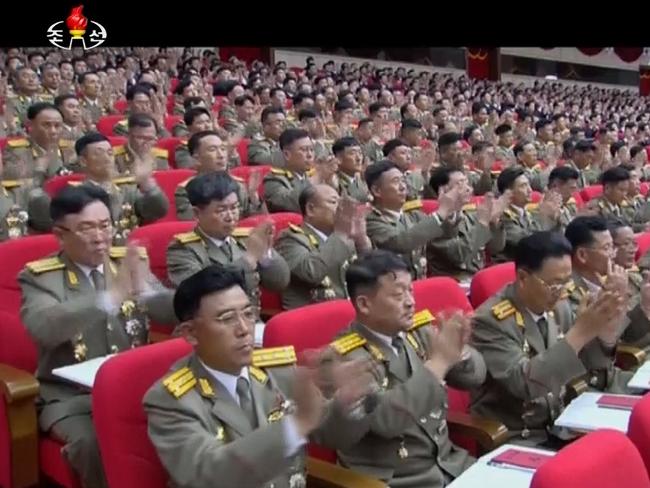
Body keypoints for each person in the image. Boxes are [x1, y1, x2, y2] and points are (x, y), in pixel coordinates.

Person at [144, 265, 372, 488]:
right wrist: (296, 424)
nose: (244, 328)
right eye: (227, 318)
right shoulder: (170, 400)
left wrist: (347, 403)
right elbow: (207, 475)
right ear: (191, 333)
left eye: (248, 313)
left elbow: (330, 435)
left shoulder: (276, 370)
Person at [19, 184, 177, 488]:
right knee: (94, 444)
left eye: (105, 225)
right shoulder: (40, 277)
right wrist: (110, 296)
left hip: (137, 388)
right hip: (71, 398)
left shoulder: (124, 262)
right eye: (86, 228)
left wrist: (151, 293)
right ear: (60, 234)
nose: (100, 236)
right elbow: (44, 326)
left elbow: (169, 313)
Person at [324, 250, 486, 486]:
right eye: (398, 295)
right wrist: (439, 362)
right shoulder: (344, 359)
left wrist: (459, 351)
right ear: (364, 304)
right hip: (401, 480)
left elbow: (476, 377)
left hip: (450, 466)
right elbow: (387, 421)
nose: (410, 302)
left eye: (411, 290)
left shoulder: (416, 332)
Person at [471, 231, 627, 447]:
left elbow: (591, 367)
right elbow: (526, 385)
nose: (562, 291)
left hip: (564, 418)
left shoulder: (558, 304)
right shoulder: (490, 321)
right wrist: (581, 332)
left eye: (566, 282)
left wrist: (605, 331)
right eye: (554, 284)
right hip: (521, 434)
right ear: (523, 278)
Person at [166, 172, 289, 342]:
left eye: (234, 208)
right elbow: (198, 294)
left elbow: (280, 282)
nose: (231, 216)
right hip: (213, 334)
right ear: (196, 213)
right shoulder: (182, 249)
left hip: (252, 325)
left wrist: (266, 252)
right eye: (221, 210)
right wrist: (249, 259)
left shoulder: (244, 239)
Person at [565, 216, 650, 359]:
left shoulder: (607, 278)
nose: (613, 254)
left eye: (613, 246)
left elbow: (632, 331)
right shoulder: (568, 294)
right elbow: (601, 346)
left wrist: (645, 306)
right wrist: (614, 298)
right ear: (582, 255)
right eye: (607, 248)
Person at [275, 185, 371, 310]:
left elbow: (370, 275)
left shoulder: (343, 239)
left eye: (341, 202)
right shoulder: (289, 239)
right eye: (333, 202)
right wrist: (340, 233)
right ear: (310, 209)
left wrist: (362, 241)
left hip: (351, 314)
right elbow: (311, 273)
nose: (340, 208)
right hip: (314, 318)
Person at [365, 161, 463, 280]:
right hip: (393, 291)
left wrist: (451, 211)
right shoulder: (371, 221)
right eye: (396, 181)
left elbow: (446, 236)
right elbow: (401, 242)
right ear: (377, 191)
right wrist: (441, 212)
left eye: (403, 180)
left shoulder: (414, 215)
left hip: (419, 283)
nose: (403, 187)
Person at [426, 167, 508, 284]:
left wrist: (494, 223)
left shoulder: (471, 216)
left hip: (477, 279)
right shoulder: (434, 223)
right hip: (453, 284)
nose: (468, 188)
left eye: (467, 183)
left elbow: (496, 248)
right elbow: (460, 255)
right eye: (460, 184)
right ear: (443, 190)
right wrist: (483, 223)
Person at [174, 130, 263, 219]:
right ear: (197, 159)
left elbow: (254, 221)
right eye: (212, 150)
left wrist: (253, 195)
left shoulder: (238, 184)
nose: (221, 155)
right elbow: (189, 223)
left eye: (223, 149)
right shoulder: (185, 189)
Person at [491, 167, 559, 263]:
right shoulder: (503, 217)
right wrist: (543, 217)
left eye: (529, 185)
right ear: (509, 193)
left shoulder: (530, 213)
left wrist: (553, 217)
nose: (530, 190)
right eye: (523, 186)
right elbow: (527, 242)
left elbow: (552, 238)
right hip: (512, 267)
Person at [2, 102, 75, 186]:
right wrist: (39, 168)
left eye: (57, 126)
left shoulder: (69, 149)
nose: (53, 131)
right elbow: (16, 185)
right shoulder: (16, 152)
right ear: (30, 125)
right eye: (46, 125)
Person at [262, 128, 317, 213]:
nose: (309, 155)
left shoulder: (313, 174)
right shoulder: (273, 179)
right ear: (287, 154)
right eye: (304, 150)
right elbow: (289, 204)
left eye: (311, 149)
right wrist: (315, 179)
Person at [332, 136, 371, 203]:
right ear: (339, 159)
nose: (359, 158)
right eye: (352, 153)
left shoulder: (360, 179)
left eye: (360, 153)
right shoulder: (334, 182)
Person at [546, 166, 581, 231]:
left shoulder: (570, 207)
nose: (575, 193)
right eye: (572, 188)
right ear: (555, 186)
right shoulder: (543, 211)